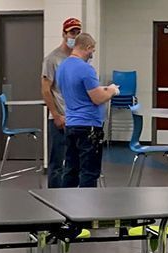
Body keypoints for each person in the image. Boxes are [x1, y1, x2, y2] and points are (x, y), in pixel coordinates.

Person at [55, 31, 122, 188]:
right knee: (89, 172)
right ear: (87, 47)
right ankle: (87, 203)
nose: (92, 54)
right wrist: (112, 90)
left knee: (71, 169)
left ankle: (66, 201)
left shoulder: (62, 67)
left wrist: (102, 89)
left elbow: (78, 90)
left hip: (71, 124)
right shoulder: (86, 69)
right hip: (88, 127)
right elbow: (97, 98)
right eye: (92, 50)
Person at [40, 17, 84, 188]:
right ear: (64, 34)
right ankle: (53, 198)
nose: (75, 35)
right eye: (72, 32)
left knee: (75, 163)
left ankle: (71, 198)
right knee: (57, 163)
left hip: (77, 118)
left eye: (78, 32)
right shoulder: (52, 59)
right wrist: (56, 115)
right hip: (59, 118)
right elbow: (46, 89)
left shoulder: (80, 59)